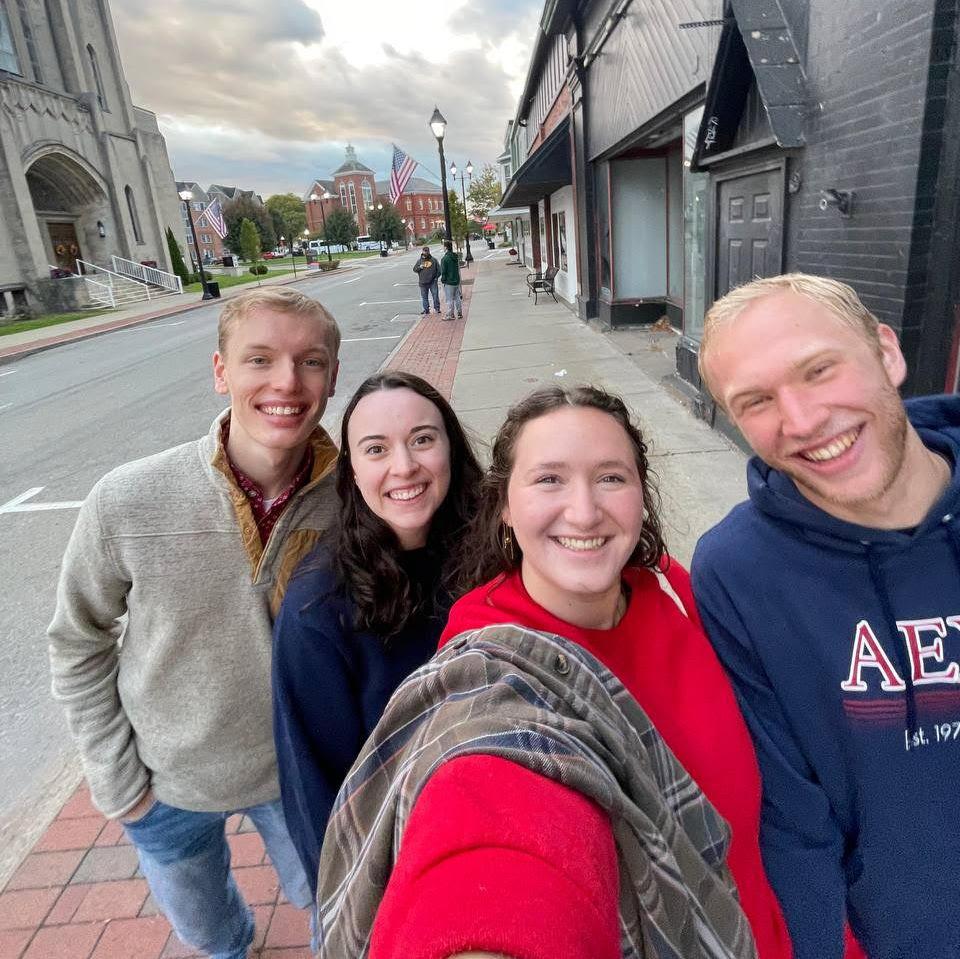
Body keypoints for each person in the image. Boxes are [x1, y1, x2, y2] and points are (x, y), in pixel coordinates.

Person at [316, 385, 789, 959]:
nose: (584, 511)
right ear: (504, 507)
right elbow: (491, 815)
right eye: (549, 480)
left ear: (641, 494)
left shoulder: (672, 588)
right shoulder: (489, 656)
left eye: (610, 477)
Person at [47, 287, 342, 959]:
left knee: (336, 910)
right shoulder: (129, 498)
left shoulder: (356, 497)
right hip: (165, 781)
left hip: (299, 774)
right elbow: (77, 641)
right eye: (259, 359)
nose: (286, 382)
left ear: (332, 377)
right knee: (210, 932)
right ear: (220, 371)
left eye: (311, 361)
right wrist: (120, 784)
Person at [691, 273, 960, 959]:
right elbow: (791, 821)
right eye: (756, 401)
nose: (804, 420)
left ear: (887, 353)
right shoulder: (739, 572)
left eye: (818, 370)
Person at [272, 371, 482, 897]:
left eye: (422, 439)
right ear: (352, 471)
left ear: (451, 448)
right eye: (376, 449)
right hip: (398, 868)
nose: (404, 466)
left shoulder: (496, 553)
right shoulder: (319, 605)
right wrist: (351, 904)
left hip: (502, 834)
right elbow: (315, 781)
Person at [413, 245, 440, 315]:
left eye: (427, 252)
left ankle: (437, 308)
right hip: (423, 282)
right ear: (422, 252)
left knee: (435, 296)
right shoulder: (419, 261)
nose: (426, 253)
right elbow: (414, 269)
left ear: (429, 252)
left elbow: (439, 270)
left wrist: (436, 278)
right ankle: (426, 309)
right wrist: (419, 267)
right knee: (424, 297)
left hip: (432, 282)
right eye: (424, 252)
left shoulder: (434, 260)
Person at [440, 240, 463, 320]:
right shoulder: (455, 257)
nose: (443, 248)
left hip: (449, 282)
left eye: (443, 246)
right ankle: (459, 313)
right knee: (457, 298)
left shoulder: (444, 259)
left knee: (449, 299)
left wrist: (443, 280)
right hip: (456, 280)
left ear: (446, 247)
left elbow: (443, 271)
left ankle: (450, 315)